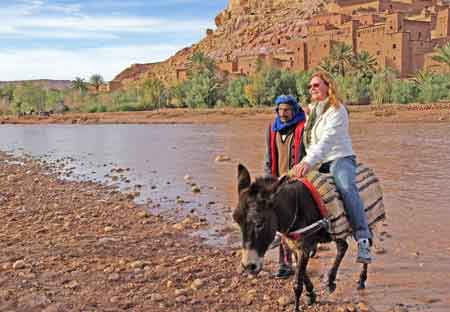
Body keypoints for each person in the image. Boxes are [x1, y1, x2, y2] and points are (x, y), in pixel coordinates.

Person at [291, 72, 372, 264]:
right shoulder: (312, 111)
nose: (312, 89)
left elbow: (326, 142)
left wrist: (307, 163)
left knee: (345, 186)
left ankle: (362, 238)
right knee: (297, 189)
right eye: (310, 86)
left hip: (339, 158)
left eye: (316, 85)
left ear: (329, 86)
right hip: (318, 161)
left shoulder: (337, 110)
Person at [264, 94, 306, 278]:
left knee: (300, 222)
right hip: (279, 182)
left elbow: (308, 155)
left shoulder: (303, 128)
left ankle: (302, 260)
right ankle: (285, 264)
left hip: (299, 182)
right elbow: (268, 157)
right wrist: (269, 181)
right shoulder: (272, 129)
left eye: (287, 110)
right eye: (280, 110)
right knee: (283, 225)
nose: (283, 114)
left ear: (294, 110)